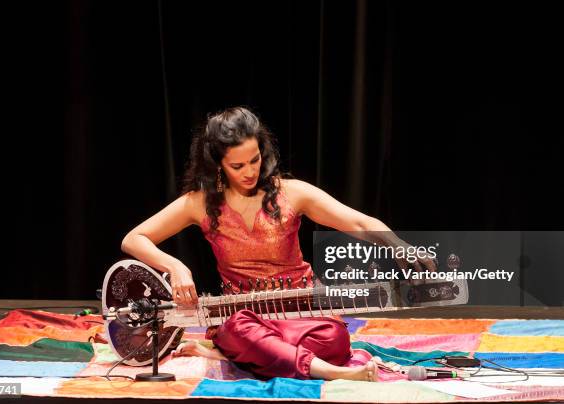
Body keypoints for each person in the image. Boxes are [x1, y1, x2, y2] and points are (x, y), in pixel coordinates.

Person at [121, 107, 434, 381]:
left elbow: (360, 222)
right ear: (218, 165)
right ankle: (329, 371)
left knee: (336, 339)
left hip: (303, 312)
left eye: (254, 160)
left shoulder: (292, 193)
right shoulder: (199, 203)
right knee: (239, 329)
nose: (250, 172)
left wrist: (399, 245)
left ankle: (243, 355)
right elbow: (133, 239)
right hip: (243, 315)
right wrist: (176, 267)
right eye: (237, 166)